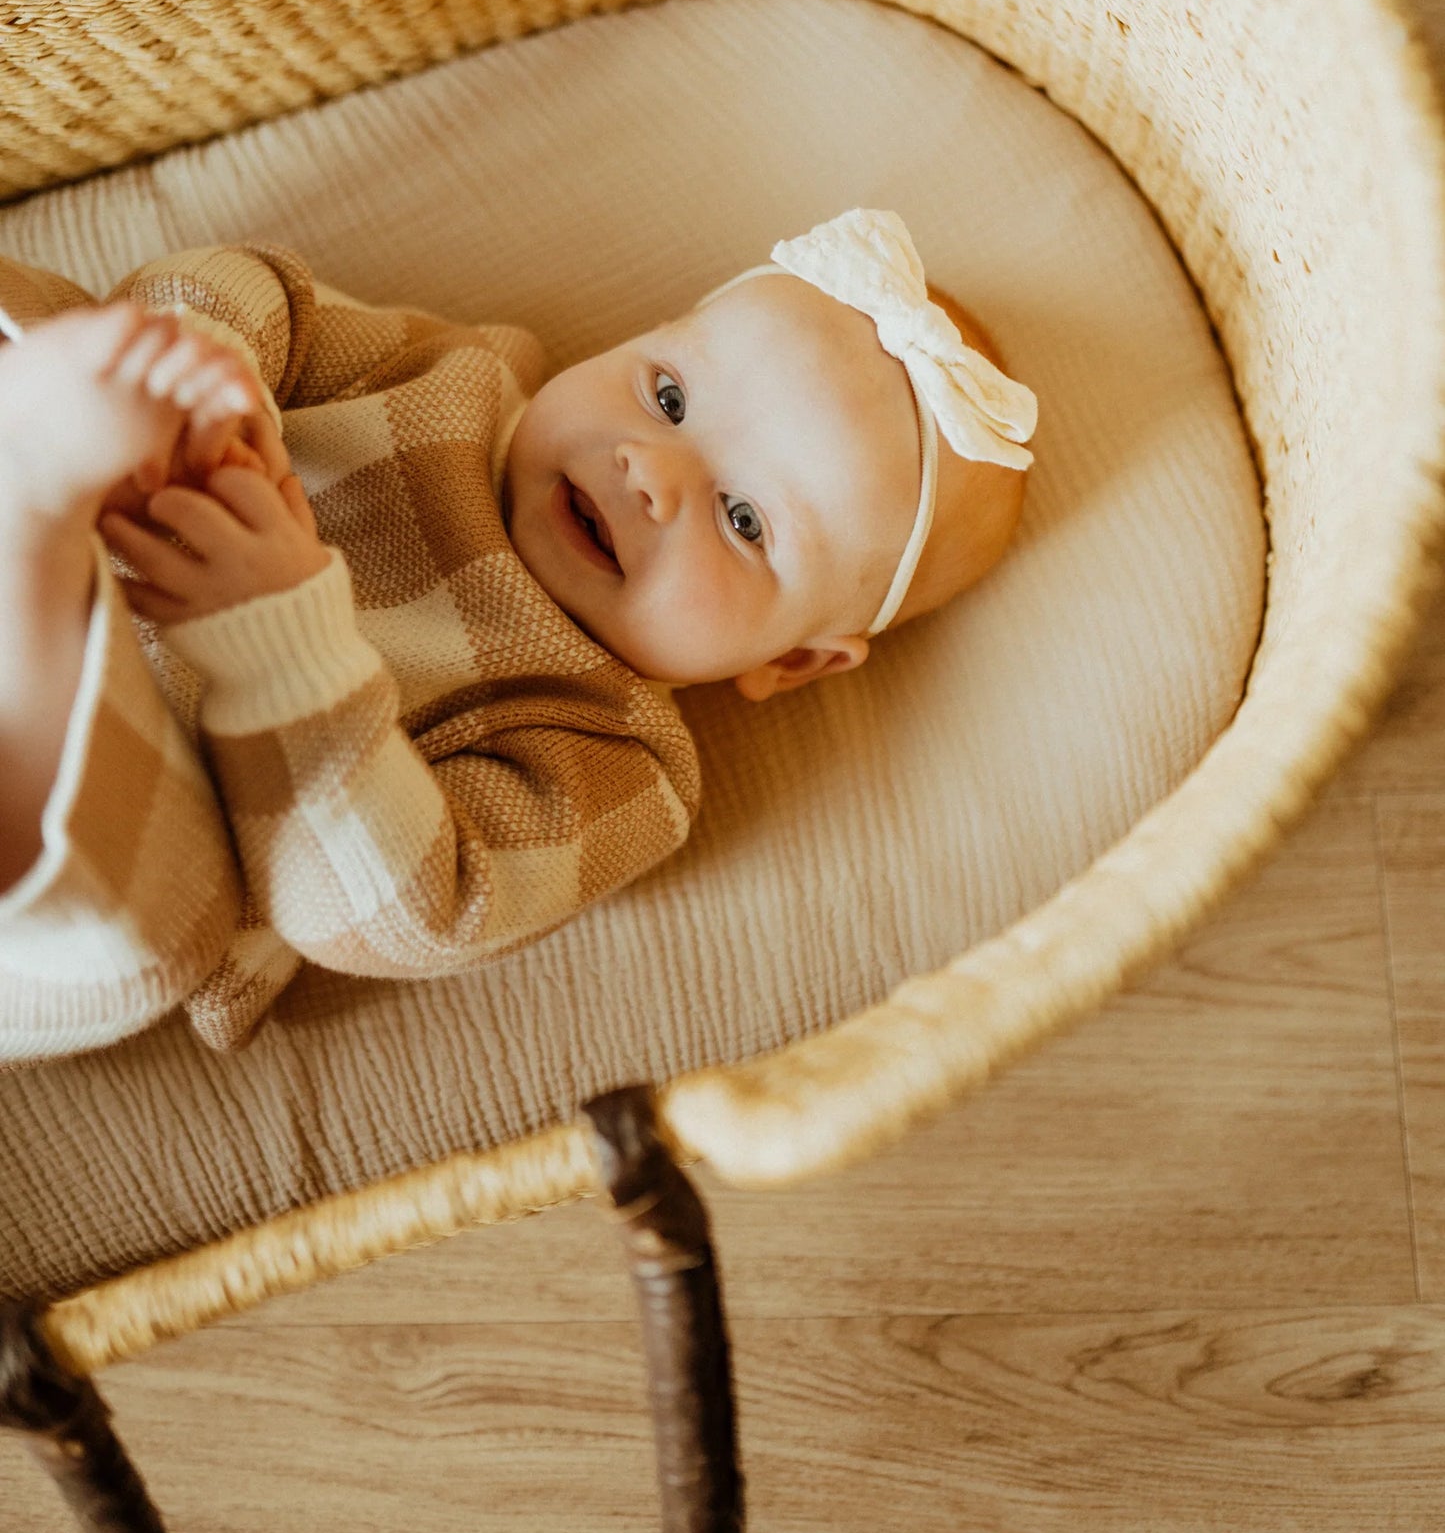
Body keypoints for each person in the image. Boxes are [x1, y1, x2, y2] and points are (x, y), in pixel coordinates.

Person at [0, 207, 1036, 1063]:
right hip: (105, 481)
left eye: (745, 519)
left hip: (88, 805)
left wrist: (278, 644)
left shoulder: (609, 754)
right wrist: (205, 375)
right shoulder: (457, 374)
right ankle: (40, 469)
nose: (651, 471)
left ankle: (30, 525)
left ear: (791, 661)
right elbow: (270, 295)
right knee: (76, 324)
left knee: (150, 938)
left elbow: (406, 909)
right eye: (668, 394)